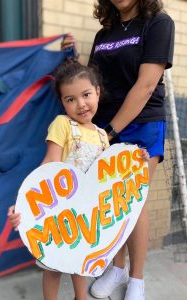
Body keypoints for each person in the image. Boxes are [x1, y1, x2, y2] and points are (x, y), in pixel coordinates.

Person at [8, 58, 149, 300]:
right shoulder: (62, 124)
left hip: (85, 212)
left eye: (85, 95)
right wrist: (26, 205)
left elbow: (110, 175)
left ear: (97, 92)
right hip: (59, 211)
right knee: (52, 264)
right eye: (70, 99)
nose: (80, 104)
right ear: (62, 102)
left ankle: (80, 297)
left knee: (81, 256)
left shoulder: (104, 136)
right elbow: (49, 165)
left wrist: (136, 160)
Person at [61, 0, 175, 300]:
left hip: (141, 123)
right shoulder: (104, 33)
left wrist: (110, 132)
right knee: (109, 202)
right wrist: (72, 57)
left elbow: (147, 84)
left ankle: (137, 279)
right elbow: (93, 81)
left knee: (132, 201)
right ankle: (118, 268)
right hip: (102, 126)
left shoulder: (159, 24)